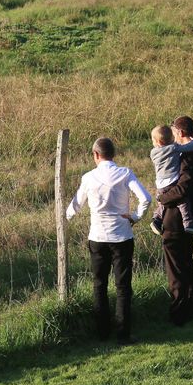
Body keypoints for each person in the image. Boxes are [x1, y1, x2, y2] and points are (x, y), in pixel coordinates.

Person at [66, 137, 151, 343]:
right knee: (123, 286)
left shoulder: (88, 178)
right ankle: (123, 333)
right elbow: (146, 198)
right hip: (122, 236)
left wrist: (65, 219)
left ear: (96, 154)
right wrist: (135, 216)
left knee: (99, 284)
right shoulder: (124, 173)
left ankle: (102, 332)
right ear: (114, 154)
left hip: (97, 236)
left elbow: (75, 205)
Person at [157, 116, 193, 325]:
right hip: (190, 220)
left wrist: (162, 198)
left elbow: (183, 187)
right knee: (187, 263)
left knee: (176, 268)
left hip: (176, 220)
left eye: (173, 133)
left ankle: (179, 313)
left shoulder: (187, 157)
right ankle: (190, 308)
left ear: (179, 132)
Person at [149, 125, 193, 235]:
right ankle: (188, 223)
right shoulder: (174, 148)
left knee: (162, 203)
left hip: (160, 184)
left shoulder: (153, 152)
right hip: (172, 181)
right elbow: (190, 147)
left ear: (158, 142)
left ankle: (157, 220)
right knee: (182, 202)